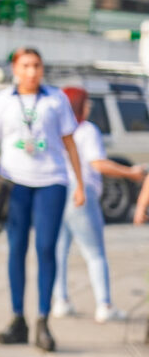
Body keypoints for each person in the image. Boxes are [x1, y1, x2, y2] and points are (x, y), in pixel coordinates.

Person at [0, 47, 85, 352]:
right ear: (15, 68)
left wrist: (80, 185)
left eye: (37, 65)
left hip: (51, 182)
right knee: (16, 249)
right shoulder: (2, 101)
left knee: (47, 248)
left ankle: (43, 321)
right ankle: (17, 320)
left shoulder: (56, 99)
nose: (32, 71)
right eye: (25, 65)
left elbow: (70, 144)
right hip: (15, 183)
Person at [52, 85, 145, 323]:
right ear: (78, 105)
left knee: (59, 251)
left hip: (56, 192)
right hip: (82, 193)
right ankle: (104, 304)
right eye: (87, 101)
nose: (90, 106)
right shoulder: (87, 130)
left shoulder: (55, 130)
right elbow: (98, 164)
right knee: (95, 254)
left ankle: (61, 301)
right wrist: (130, 173)